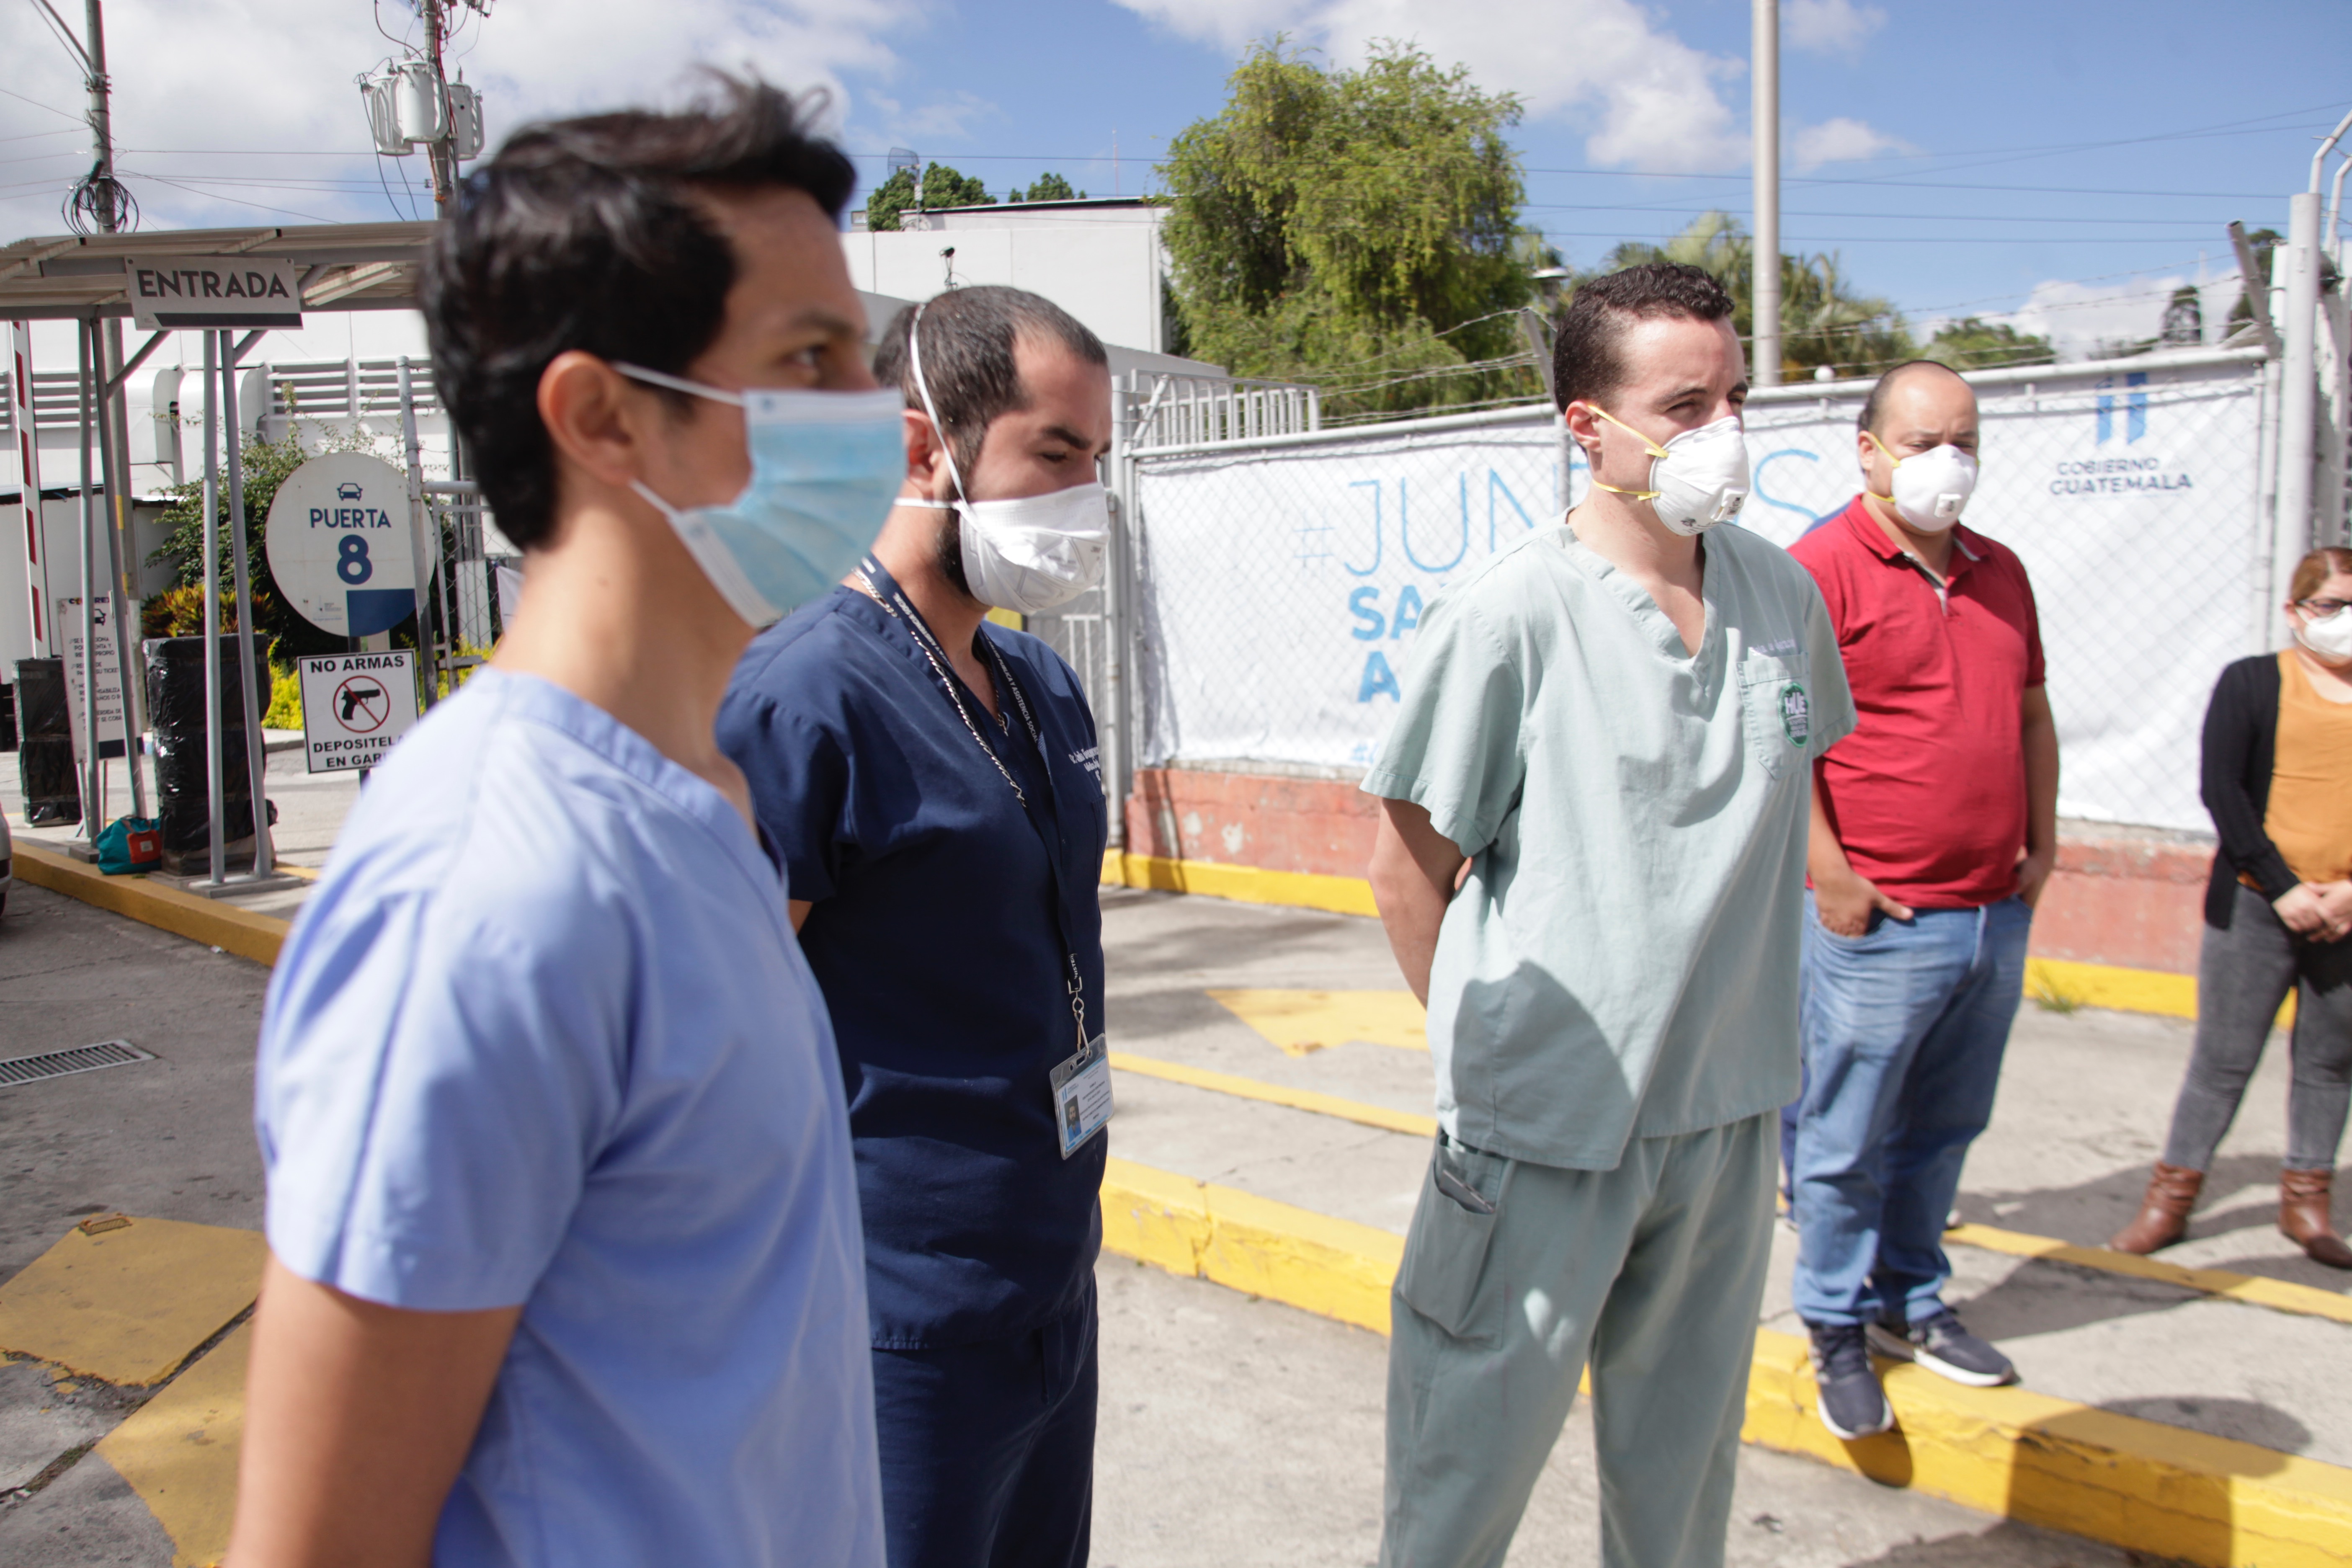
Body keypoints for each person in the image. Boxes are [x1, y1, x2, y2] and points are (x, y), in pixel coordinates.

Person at [230, 80, 895, 1568]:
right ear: (602, 416)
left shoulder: (701, 804)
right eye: (812, 357)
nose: (880, 415)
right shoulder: (493, 887)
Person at [1362, 261, 1855, 1568]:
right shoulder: (1515, 614)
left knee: (1684, 1487)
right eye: (1685, 405)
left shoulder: (1781, 598)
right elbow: (1410, 870)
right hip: (1545, 1133)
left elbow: (1787, 789)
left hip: (1728, 1114)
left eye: (1736, 396)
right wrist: (1502, 1064)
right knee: (1461, 1480)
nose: (1725, 432)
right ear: (1590, 425)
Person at [717, 284, 1114, 1568]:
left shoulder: (1039, 684)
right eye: (1056, 452)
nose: (1082, 493)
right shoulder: (805, 699)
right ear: (919, 445)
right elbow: (715, 1043)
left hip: (1050, 1292)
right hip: (894, 1327)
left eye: (1098, 460)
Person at [1779, 360, 2058, 1439]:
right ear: (1868, 448)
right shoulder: (1819, 570)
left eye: (1965, 439)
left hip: (1992, 910)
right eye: (1923, 439)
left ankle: (1910, 1298)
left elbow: (2032, 714)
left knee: (1945, 1127)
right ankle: (1835, 1324)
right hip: (1877, 920)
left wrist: (2042, 841)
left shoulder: (2003, 572)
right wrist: (1832, 872)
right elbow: (1783, 739)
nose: (1949, 461)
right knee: (1846, 1139)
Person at [2111, 547, 2352, 1265]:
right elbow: (2224, 792)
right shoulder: (2252, 682)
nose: (2344, 622)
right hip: (2258, 905)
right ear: (2294, 611)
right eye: (2330, 606)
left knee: (2331, 1062)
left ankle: (2307, 1204)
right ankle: (2170, 1201)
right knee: (2221, 1062)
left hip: (2345, 912)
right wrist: (2284, 889)